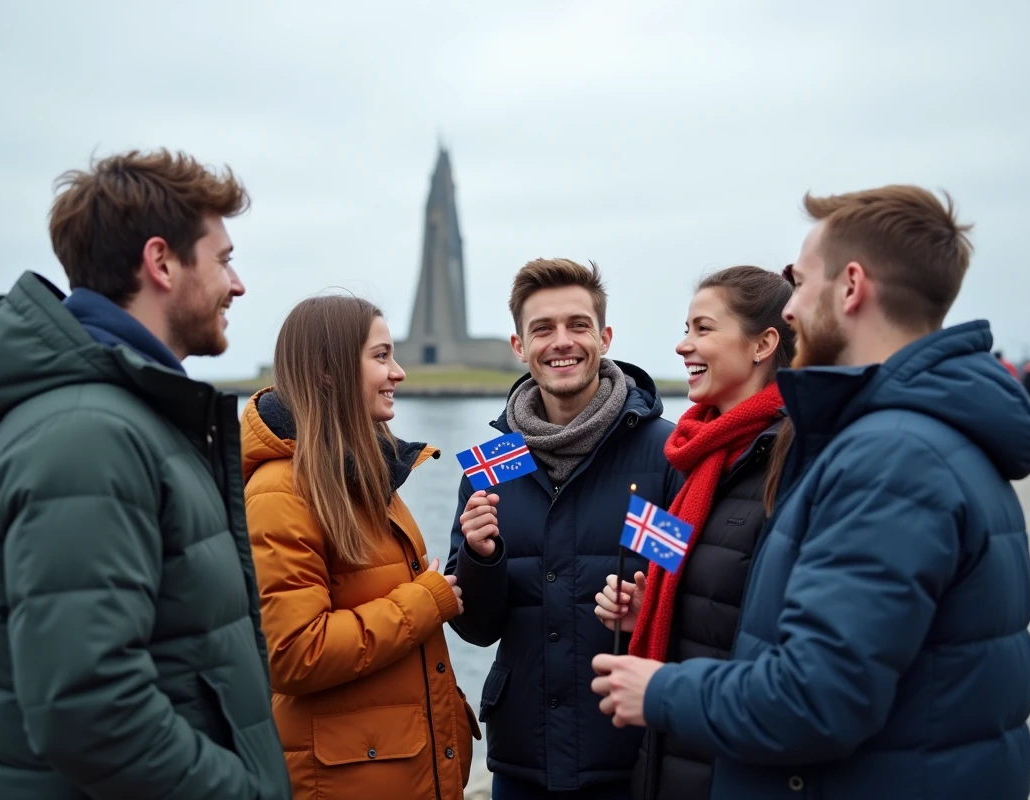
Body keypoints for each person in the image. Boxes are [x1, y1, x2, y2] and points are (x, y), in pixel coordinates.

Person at [592, 186, 1030, 800]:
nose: (792, 309)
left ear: (851, 287)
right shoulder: (918, 436)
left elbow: (817, 697)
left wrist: (660, 690)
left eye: (800, 283)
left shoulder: (890, 458)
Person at [0, 150, 290, 799]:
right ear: (160, 262)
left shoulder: (135, 419)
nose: (237, 285)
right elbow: (89, 709)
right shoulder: (88, 436)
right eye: (223, 259)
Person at [447, 259, 684, 800]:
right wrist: (482, 558)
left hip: (631, 752)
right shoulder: (490, 465)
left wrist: (646, 604)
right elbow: (477, 628)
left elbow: (687, 598)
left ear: (603, 337)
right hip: (522, 758)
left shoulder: (663, 455)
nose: (562, 342)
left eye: (578, 325)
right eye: (543, 329)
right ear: (518, 345)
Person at [242, 295, 479, 799]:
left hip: (394, 769)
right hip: (343, 779)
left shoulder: (364, 475)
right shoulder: (281, 491)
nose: (399, 373)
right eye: (380, 357)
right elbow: (294, 654)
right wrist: (426, 600)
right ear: (328, 371)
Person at [593, 265, 795, 800]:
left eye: (703, 329)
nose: (684, 345)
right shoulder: (701, 456)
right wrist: (654, 606)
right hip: (673, 750)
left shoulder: (789, 460)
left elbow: (780, 635)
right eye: (686, 328)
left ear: (763, 344)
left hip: (732, 758)